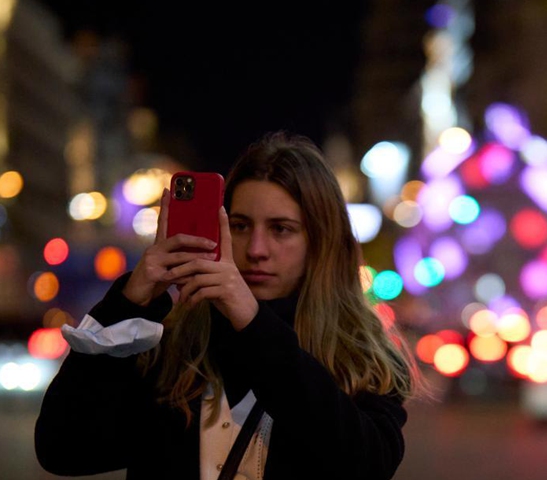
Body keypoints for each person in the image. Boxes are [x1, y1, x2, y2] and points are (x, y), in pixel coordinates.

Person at [35, 131, 422, 479]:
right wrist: (126, 304)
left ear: (320, 241)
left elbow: (366, 464)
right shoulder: (169, 344)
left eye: (280, 229)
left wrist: (253, 323)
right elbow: (64, 450)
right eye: (238, 225)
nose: (256, 250)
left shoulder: (363, 356)